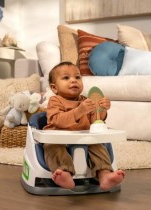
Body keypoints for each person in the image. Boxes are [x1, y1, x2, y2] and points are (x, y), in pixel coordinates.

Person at [43, 61, 125, 190]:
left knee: (98, 146)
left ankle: (104, 175)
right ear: (54, 88)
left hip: (84, 138)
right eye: (66, 77)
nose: (74, 81)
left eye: (77, 77)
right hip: (58, 140)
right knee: (53, 148)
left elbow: (96, 121)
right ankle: (64, 173)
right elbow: (57, 120)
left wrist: (102, 109)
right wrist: (79, 111)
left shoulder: (86, 100)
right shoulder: (55, 101)